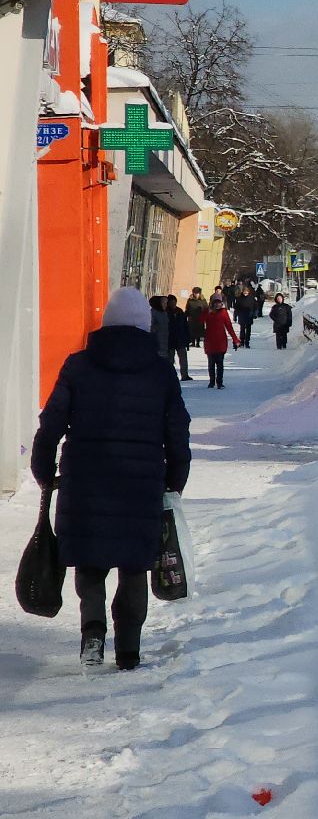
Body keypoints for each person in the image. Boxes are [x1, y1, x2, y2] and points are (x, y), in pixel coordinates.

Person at [32, 287, 191, 670]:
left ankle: (92, 635)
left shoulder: (78, 366)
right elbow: (177, 429)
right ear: (144, 325)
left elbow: (51, 421)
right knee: (135, 564)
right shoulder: (160, 371)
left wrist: (42, 468)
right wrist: (176, 477)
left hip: (84, 478)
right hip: (140, 482)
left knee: (90, 561)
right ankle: (129, 650)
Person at [201, 296, 240, 389]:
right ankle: (211, 382)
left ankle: (219, 382)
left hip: (220, 341)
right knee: (211, 363)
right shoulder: (207, 312)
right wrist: (207, 312)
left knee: (220, 363)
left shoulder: (223, 312)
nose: (217, 304)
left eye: (219, 302)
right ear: (212, 303)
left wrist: (235, 339)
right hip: (209, 341)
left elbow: (229, 326)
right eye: (215, 302)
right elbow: (200, 320)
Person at [166, 294, 191, 381]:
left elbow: (185, 326)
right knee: (170, 360)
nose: (173, 304)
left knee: (183, 359)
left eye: (174, 302)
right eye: (171, 303)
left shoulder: (180, 312)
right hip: (170, 340)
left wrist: (187, 338)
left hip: (180, 339)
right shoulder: (165, 312)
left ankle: (185, 375)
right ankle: (170, 376)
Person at [147, 296, 170, 360]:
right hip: (156, 344)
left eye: (166, 303)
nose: (166, 305)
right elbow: (150, 327)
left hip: (165, 344)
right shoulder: (153, 313)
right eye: (164, 303)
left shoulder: (164, 313)